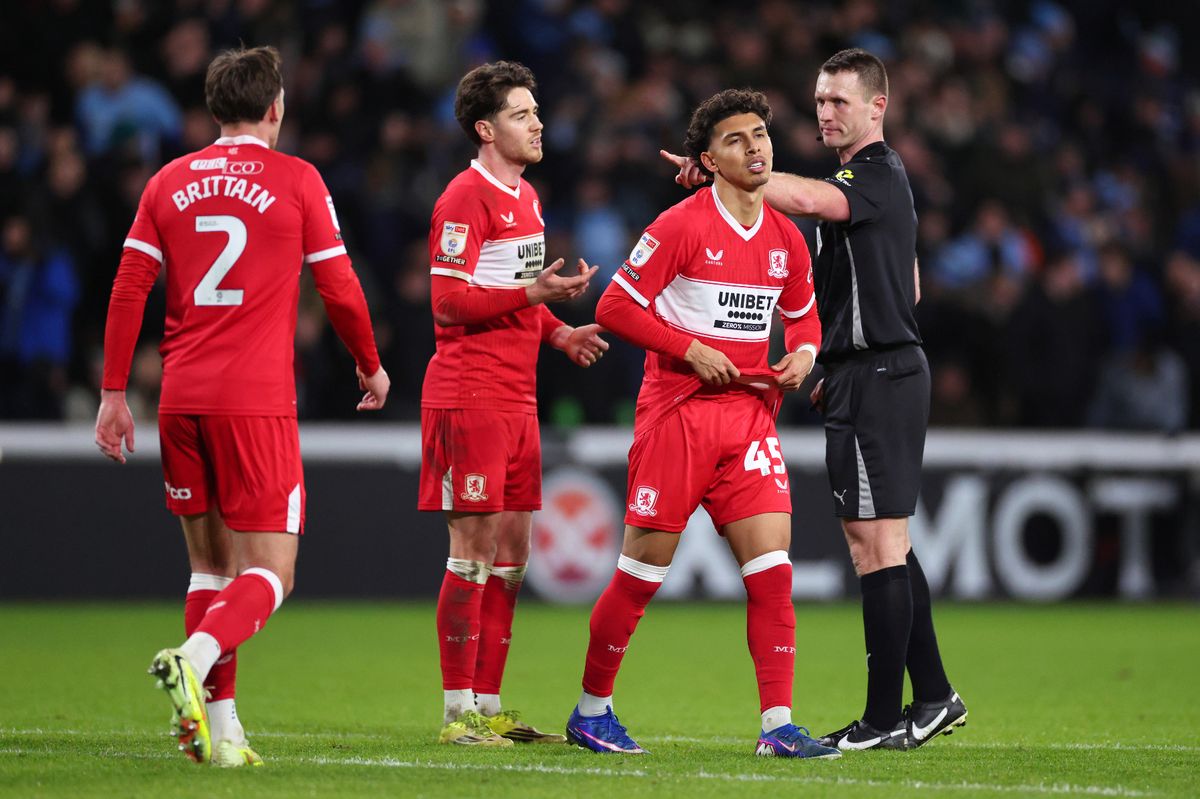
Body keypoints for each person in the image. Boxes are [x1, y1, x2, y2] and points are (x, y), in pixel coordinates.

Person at [663, 48, 966, 752]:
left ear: (876, 108)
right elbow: (909, 285)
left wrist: (728, 172)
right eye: (821, 101)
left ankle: (884, 718)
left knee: (875, 546)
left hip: (880, 375)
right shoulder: (875, 189)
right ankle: (935, 695)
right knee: (888, 542)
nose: (826, 112)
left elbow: (802, 199)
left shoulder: (874, 175)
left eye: (840, 101)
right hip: (869, 372)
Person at [95, 46, 390, 767]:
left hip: (180, 398)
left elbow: (130, 284)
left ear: (213, 107)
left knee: (209, 566)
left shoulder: (168, 180)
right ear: (275, 107)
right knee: (273, 572)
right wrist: (370, 363)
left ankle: (221, 732)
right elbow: (341, 286)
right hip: (254, 401)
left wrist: (111, 392)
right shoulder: (296, 179)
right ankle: (192, 659)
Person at [565, 89, 838, 760]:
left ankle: (777, 725)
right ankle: (591, 710)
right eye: (738, 138)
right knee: (639, 577)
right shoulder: (680, 226)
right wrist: (688, 347)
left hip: (749, 420)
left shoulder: (785, 237)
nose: (756, 147)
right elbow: (616, 306)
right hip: (678, 416)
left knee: (773, 572)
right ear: (708, 159)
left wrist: (803, 354)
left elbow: (803, 315)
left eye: (761, 135)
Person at [420, 60, 607, 747]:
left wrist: (559, 332)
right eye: (523, 114)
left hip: (518, 398)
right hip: (468, 395)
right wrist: (535, 296)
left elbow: (512, 294)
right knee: (471, 551)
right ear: (485, 128)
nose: (538, 123)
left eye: (536, 112)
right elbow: (446, 300)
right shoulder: (463, 198)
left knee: (513, 554)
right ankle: (455, 711)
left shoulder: (525, 198)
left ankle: (490, 703)